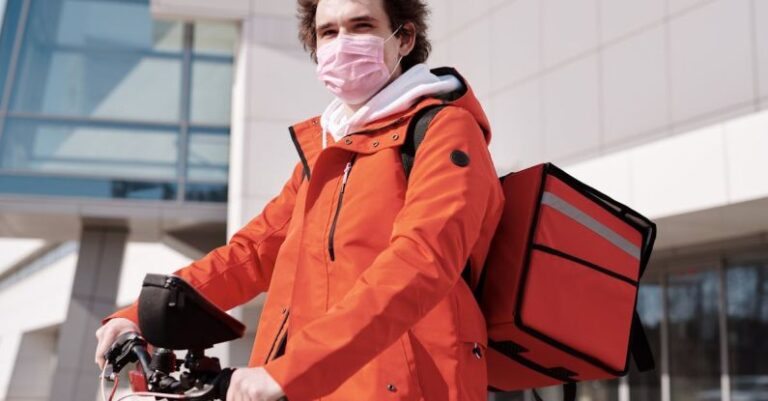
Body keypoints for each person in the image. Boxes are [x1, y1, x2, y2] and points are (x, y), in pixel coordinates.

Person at [95, 0, 504, 400]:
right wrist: (139, 316)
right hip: (306, 385)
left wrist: (288, 372)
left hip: (405, 386)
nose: (343, 42)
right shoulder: (330, 148)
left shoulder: (444, 130)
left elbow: (421, 261)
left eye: (361, 26)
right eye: (328, 31)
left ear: (404, 38)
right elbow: (251, 253)